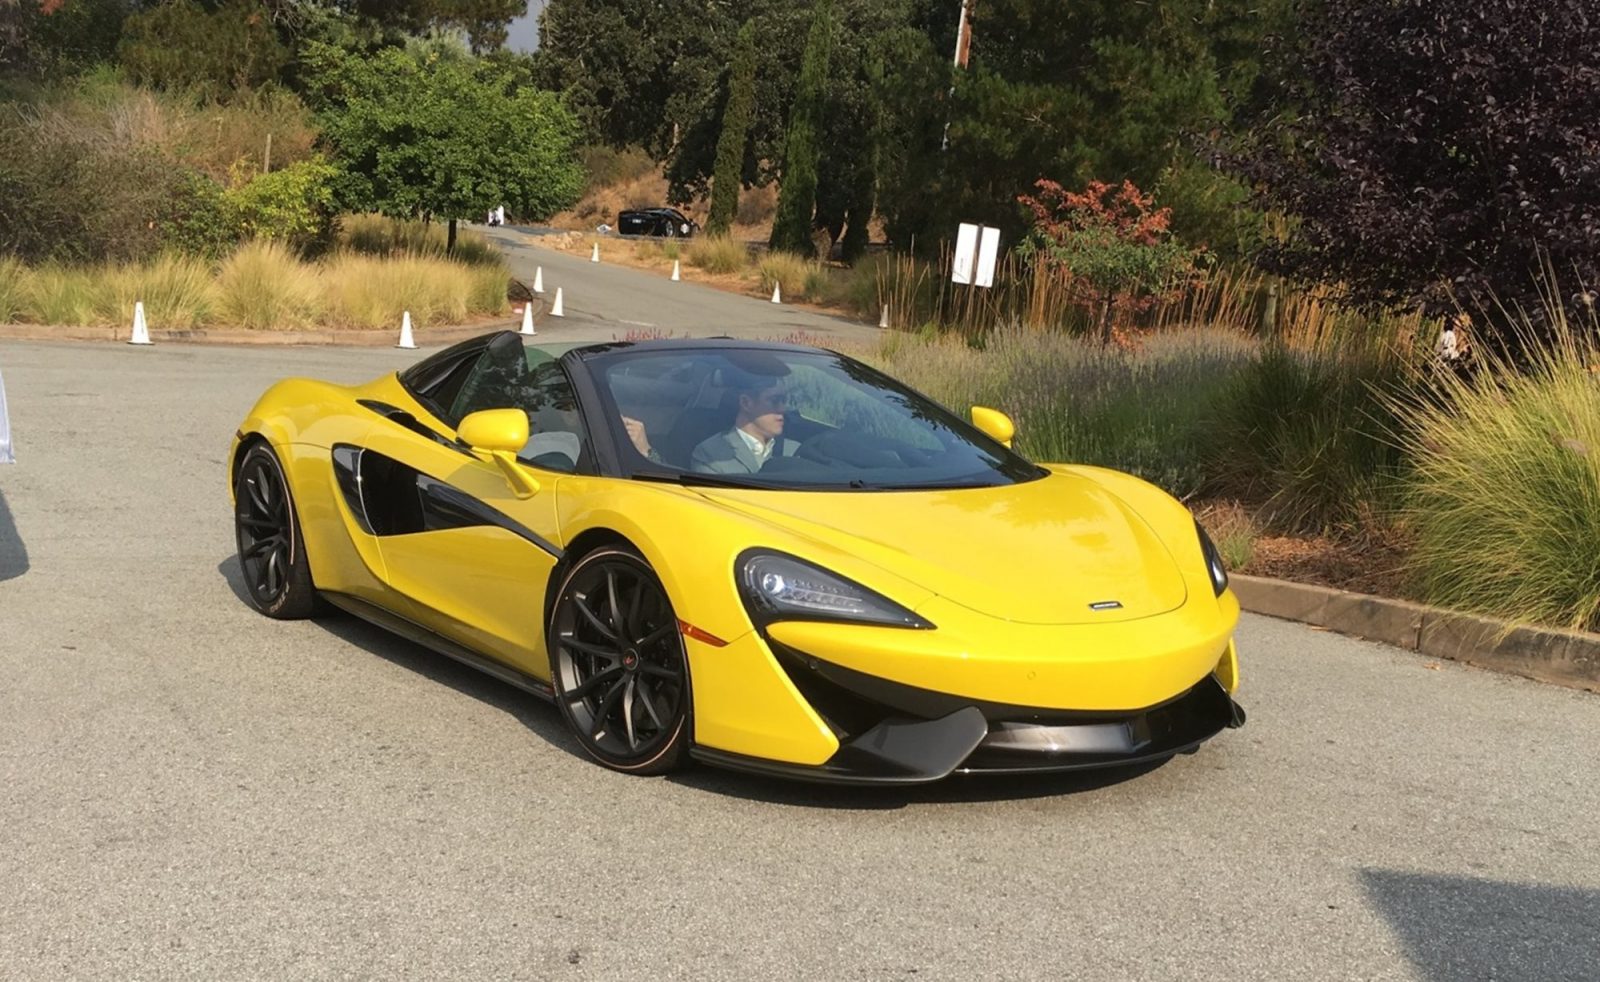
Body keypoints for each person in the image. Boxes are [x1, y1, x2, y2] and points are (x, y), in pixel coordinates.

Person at [690, 376, 799, 474]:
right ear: (746, 403)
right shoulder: (712, 455)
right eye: (774, 401)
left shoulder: (796, 451)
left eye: (784, 400)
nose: (782, 409)